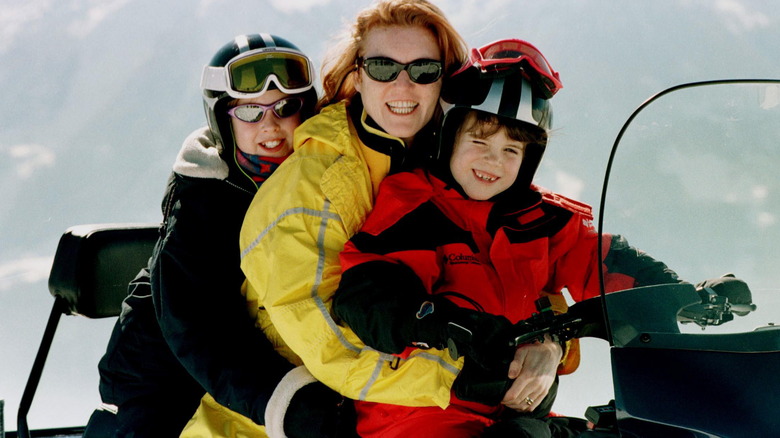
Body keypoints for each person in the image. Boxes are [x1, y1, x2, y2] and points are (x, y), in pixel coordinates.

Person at [330, 39, 751, 437]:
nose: (493, 160)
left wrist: (683, 295)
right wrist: (449, 325)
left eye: (512, 150)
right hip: (421, 418)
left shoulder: (542, 221)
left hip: (519, 416)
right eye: (479, 140)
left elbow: (604, 264)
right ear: (448, 136)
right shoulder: (417, 205)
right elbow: (372, 291)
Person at [88, 34, 347, 438]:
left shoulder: (318, 184)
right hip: (163, 385)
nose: (271, 126)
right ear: (222, 119)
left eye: (285, 107)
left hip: (253, 376)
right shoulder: (202, 203)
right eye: (249, 112)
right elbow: (198, 326)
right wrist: (286, 401)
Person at [235, 0, 474, 430]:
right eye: (384, 68)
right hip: (288, 421)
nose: (404, 86)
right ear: (358, 75)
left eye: (423, 70)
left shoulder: (454, 160)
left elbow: (516, 245)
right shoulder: (309, 187)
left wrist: (546, 348)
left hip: (410, 406)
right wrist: (461, 377)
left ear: (443, 80)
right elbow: (327, 342)